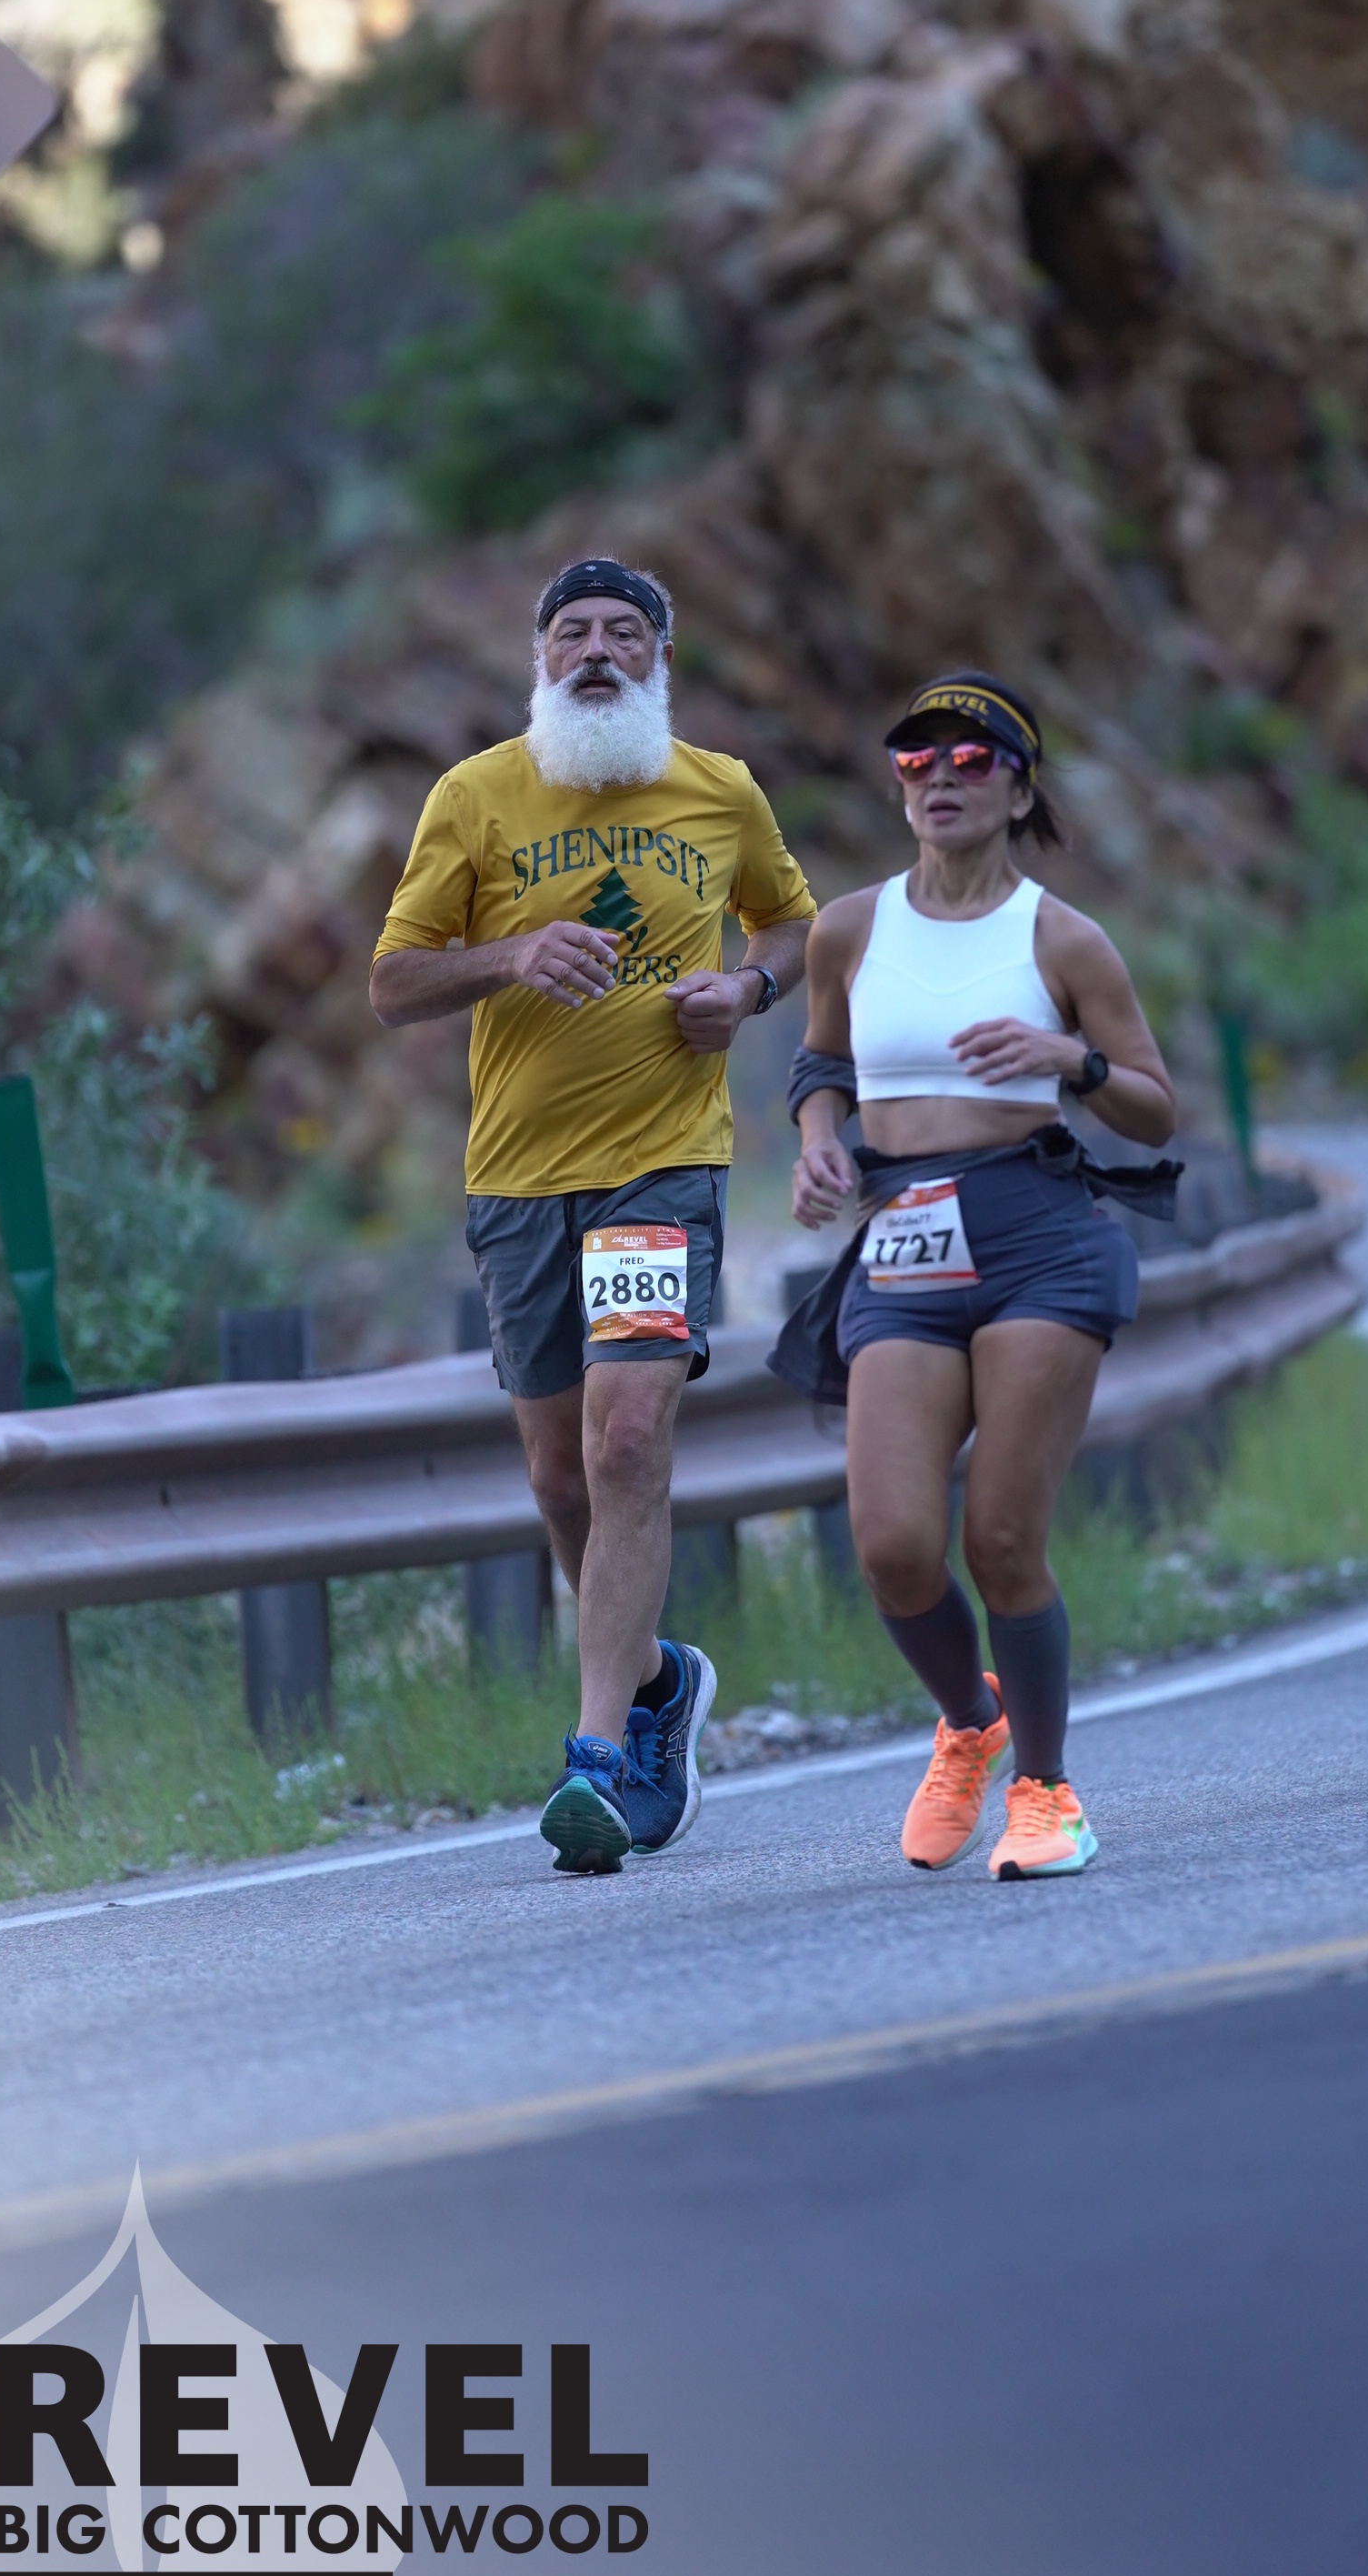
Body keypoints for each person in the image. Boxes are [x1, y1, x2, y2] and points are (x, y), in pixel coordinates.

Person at [370, 556, 817, 1875]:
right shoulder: (476, 795)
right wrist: (512, 954)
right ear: (541, 658)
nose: (598, 652)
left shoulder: (719, 790)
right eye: (573, 632)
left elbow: (790, 926)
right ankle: (661, 1679)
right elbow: (393, 983)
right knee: (561, 1478)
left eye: (627, 632)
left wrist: (747, 994)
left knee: (626, 1444)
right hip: (518, 1181)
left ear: (662, 661)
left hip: (659, 1169)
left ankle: (599, 1758)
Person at [783, 670, 1178, 1880]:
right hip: (904, 1236)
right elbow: (820, 1064)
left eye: (971, 760)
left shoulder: (1063, 939)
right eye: (917, 759)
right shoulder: (850, 929)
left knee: (1003, 1535)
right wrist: (817, 1143)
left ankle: (1047, 1794)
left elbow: (1155, 1108)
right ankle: (971, 1721)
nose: (940, 778)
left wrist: (1071, 1058)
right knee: (896, 1545)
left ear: (1019, 790)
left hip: (1035, 1238)